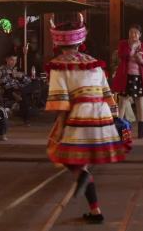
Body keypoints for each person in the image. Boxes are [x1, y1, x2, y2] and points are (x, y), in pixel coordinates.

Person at [45, 17, 126, 224]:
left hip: (78, 116)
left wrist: (61, 127)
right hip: (101, 115)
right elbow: (107, 93)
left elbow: (60, 101)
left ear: (57, 43)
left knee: (63, 154)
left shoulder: (58, 66)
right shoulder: (94, 62)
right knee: (82, 163)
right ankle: (95, 210)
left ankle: (83, 179)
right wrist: (114, 118)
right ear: (80, 42)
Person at [111, 24, 143, 138]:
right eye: (131, 32)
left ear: (140, 35)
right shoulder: (123, 44)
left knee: (139, 102)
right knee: (122, 101)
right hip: (126, 77)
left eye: (136, 33)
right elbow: (122, 55)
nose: (133, 34)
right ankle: (121, 130)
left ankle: (141, 132)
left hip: (138, 77)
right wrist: (132, 47)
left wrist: (141, 60)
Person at [0, 54, 35, 125]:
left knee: (31, 86)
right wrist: (9, 76)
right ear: (7, 60)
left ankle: (19, 94)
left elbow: (28, 80)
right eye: (12, 60)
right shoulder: (1, 69)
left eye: (15, 60)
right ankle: (26, 119)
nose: (14, 62)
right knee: (24, 96)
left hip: (19, 88)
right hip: (7, 89)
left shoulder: (17, 69)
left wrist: (21, 76)